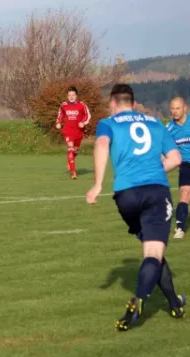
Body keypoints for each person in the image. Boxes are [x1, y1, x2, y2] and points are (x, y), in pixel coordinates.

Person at [86, 84, 185, 331]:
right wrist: (153, 170)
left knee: (154, 252)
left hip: (126, 196)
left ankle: (174, 303)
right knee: (153, 253)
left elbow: (100, 145)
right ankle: (139, 299)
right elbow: (176, 159)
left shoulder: (108, 122)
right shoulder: (154, 123)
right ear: (133, 102)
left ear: (113, 103)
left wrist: (98, 184)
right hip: (155, 193)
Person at [165, 97, 190, 239]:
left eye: (178, 108)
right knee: (185, 192)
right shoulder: (168, 129)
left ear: (185, 108)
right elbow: (164, 152)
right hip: (186, 164)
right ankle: (180, 228)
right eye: (172, 108)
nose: (174, 111)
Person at [56, 87, 91, 179]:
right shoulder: (64, 105)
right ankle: (73, 172)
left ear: (76, 96)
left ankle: (71, 159)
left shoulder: (82, 105)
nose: (71, 97)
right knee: (70, 148)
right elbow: (60, 114)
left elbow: (87, 115)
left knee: (75, 150)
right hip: (68, 131)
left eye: (73, 95)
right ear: (67, 96)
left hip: (78, 132)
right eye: (69, 95)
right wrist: (58, 123)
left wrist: (83, 122)